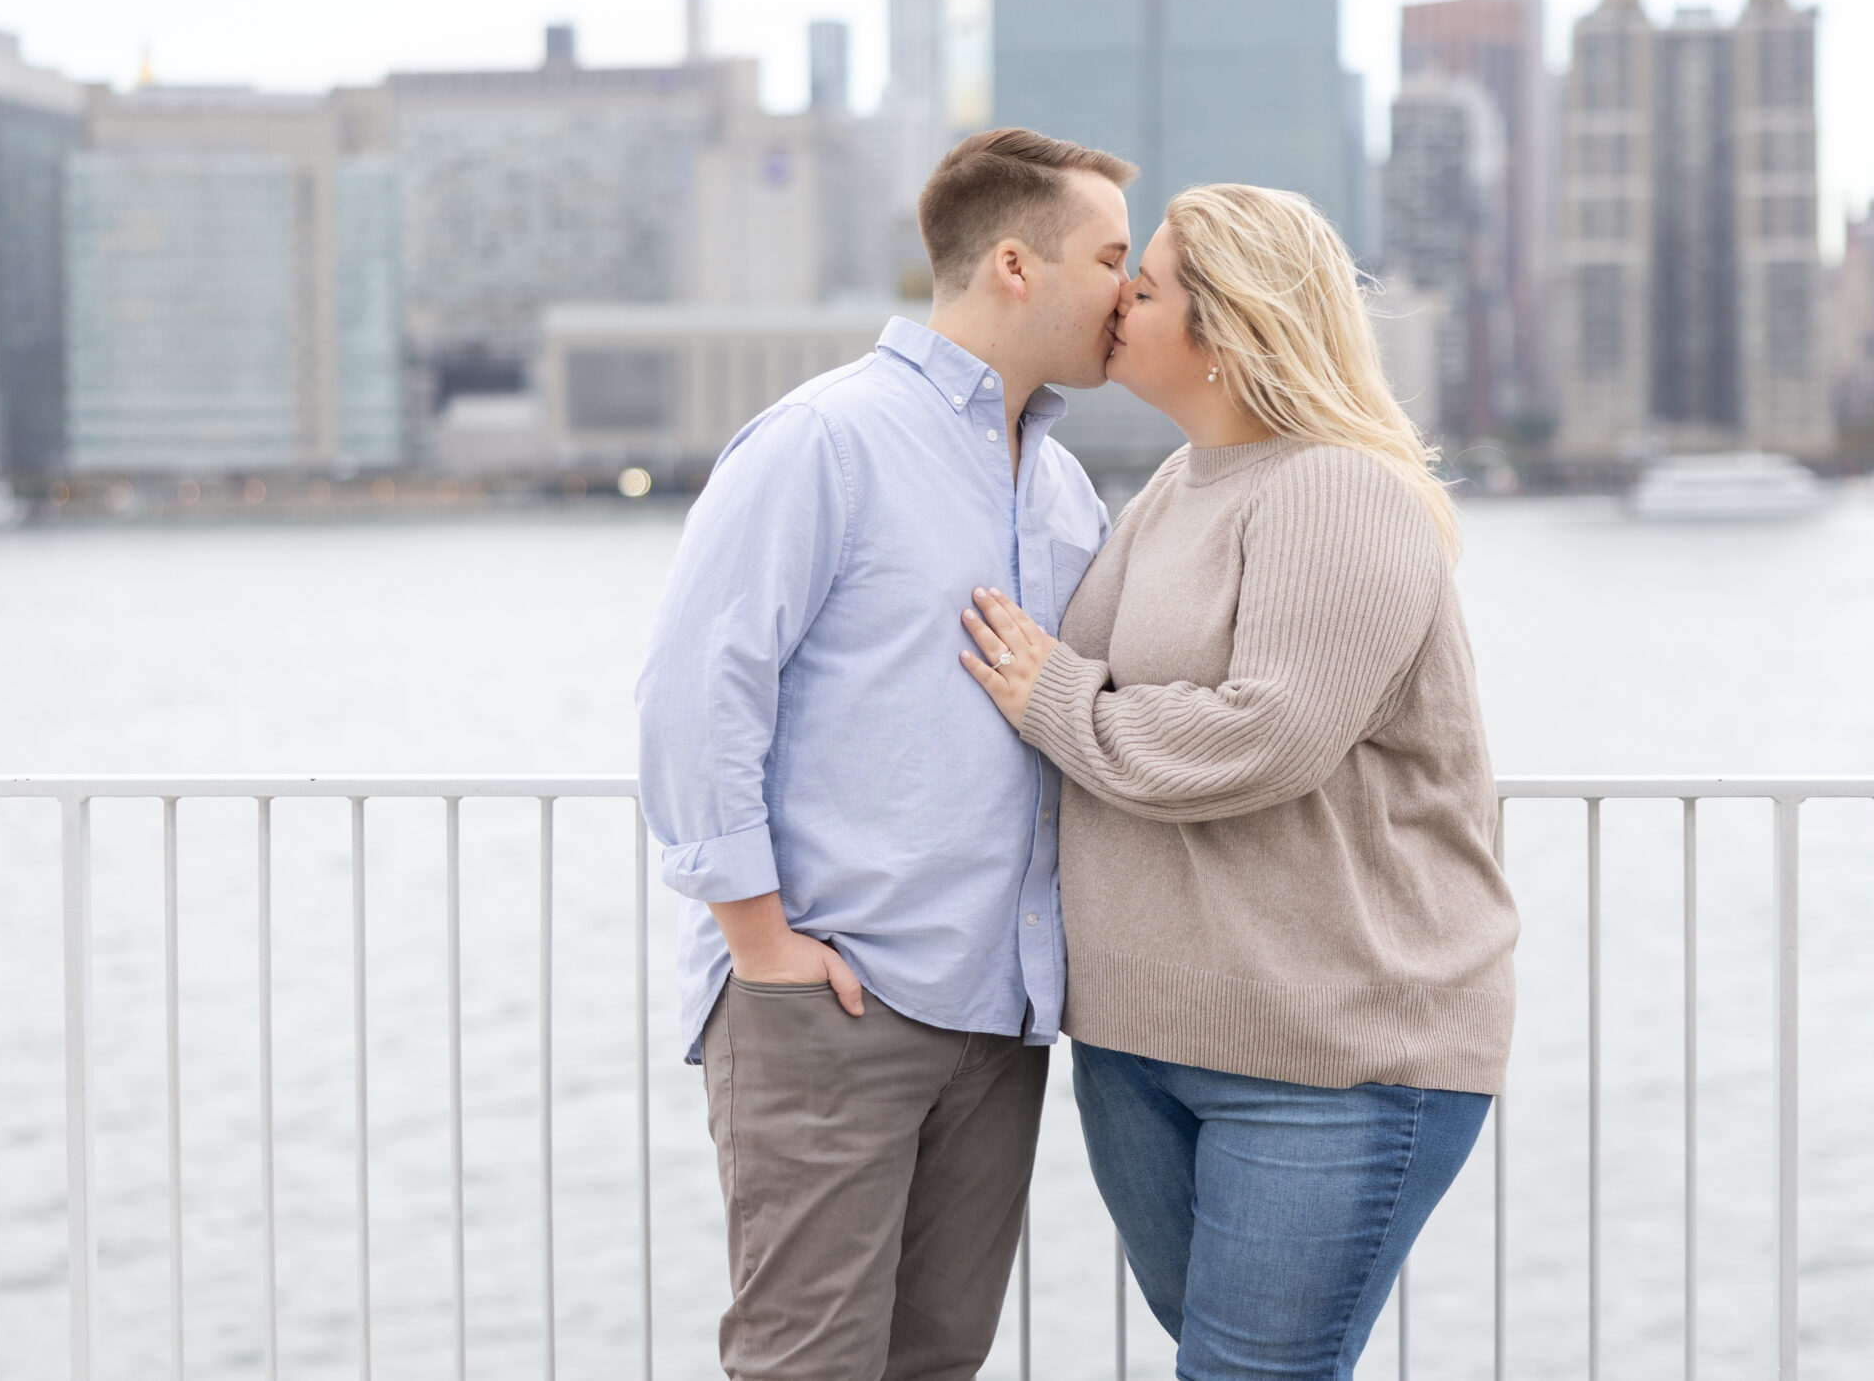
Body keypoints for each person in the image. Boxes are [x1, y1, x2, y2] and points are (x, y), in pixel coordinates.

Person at [956, 183, 1519, 1380]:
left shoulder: (1336, 489)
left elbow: (1268, 734)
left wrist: (1056, 697)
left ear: (1229, 330)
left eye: (1148, 285)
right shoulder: (1178, 484)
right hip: (1139, 1044)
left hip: (1329, 1057)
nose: (1118, 298)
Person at [636, 127, 1137, 1380]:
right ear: (1014, 265)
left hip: (1000, 1020)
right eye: (1109, 258)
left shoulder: (1062, 489)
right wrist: (762, 946)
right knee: (806, 1365)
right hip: (831, 999)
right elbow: (693, 695)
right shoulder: (825, 439)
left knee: (936, 1364)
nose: (1128, 291)